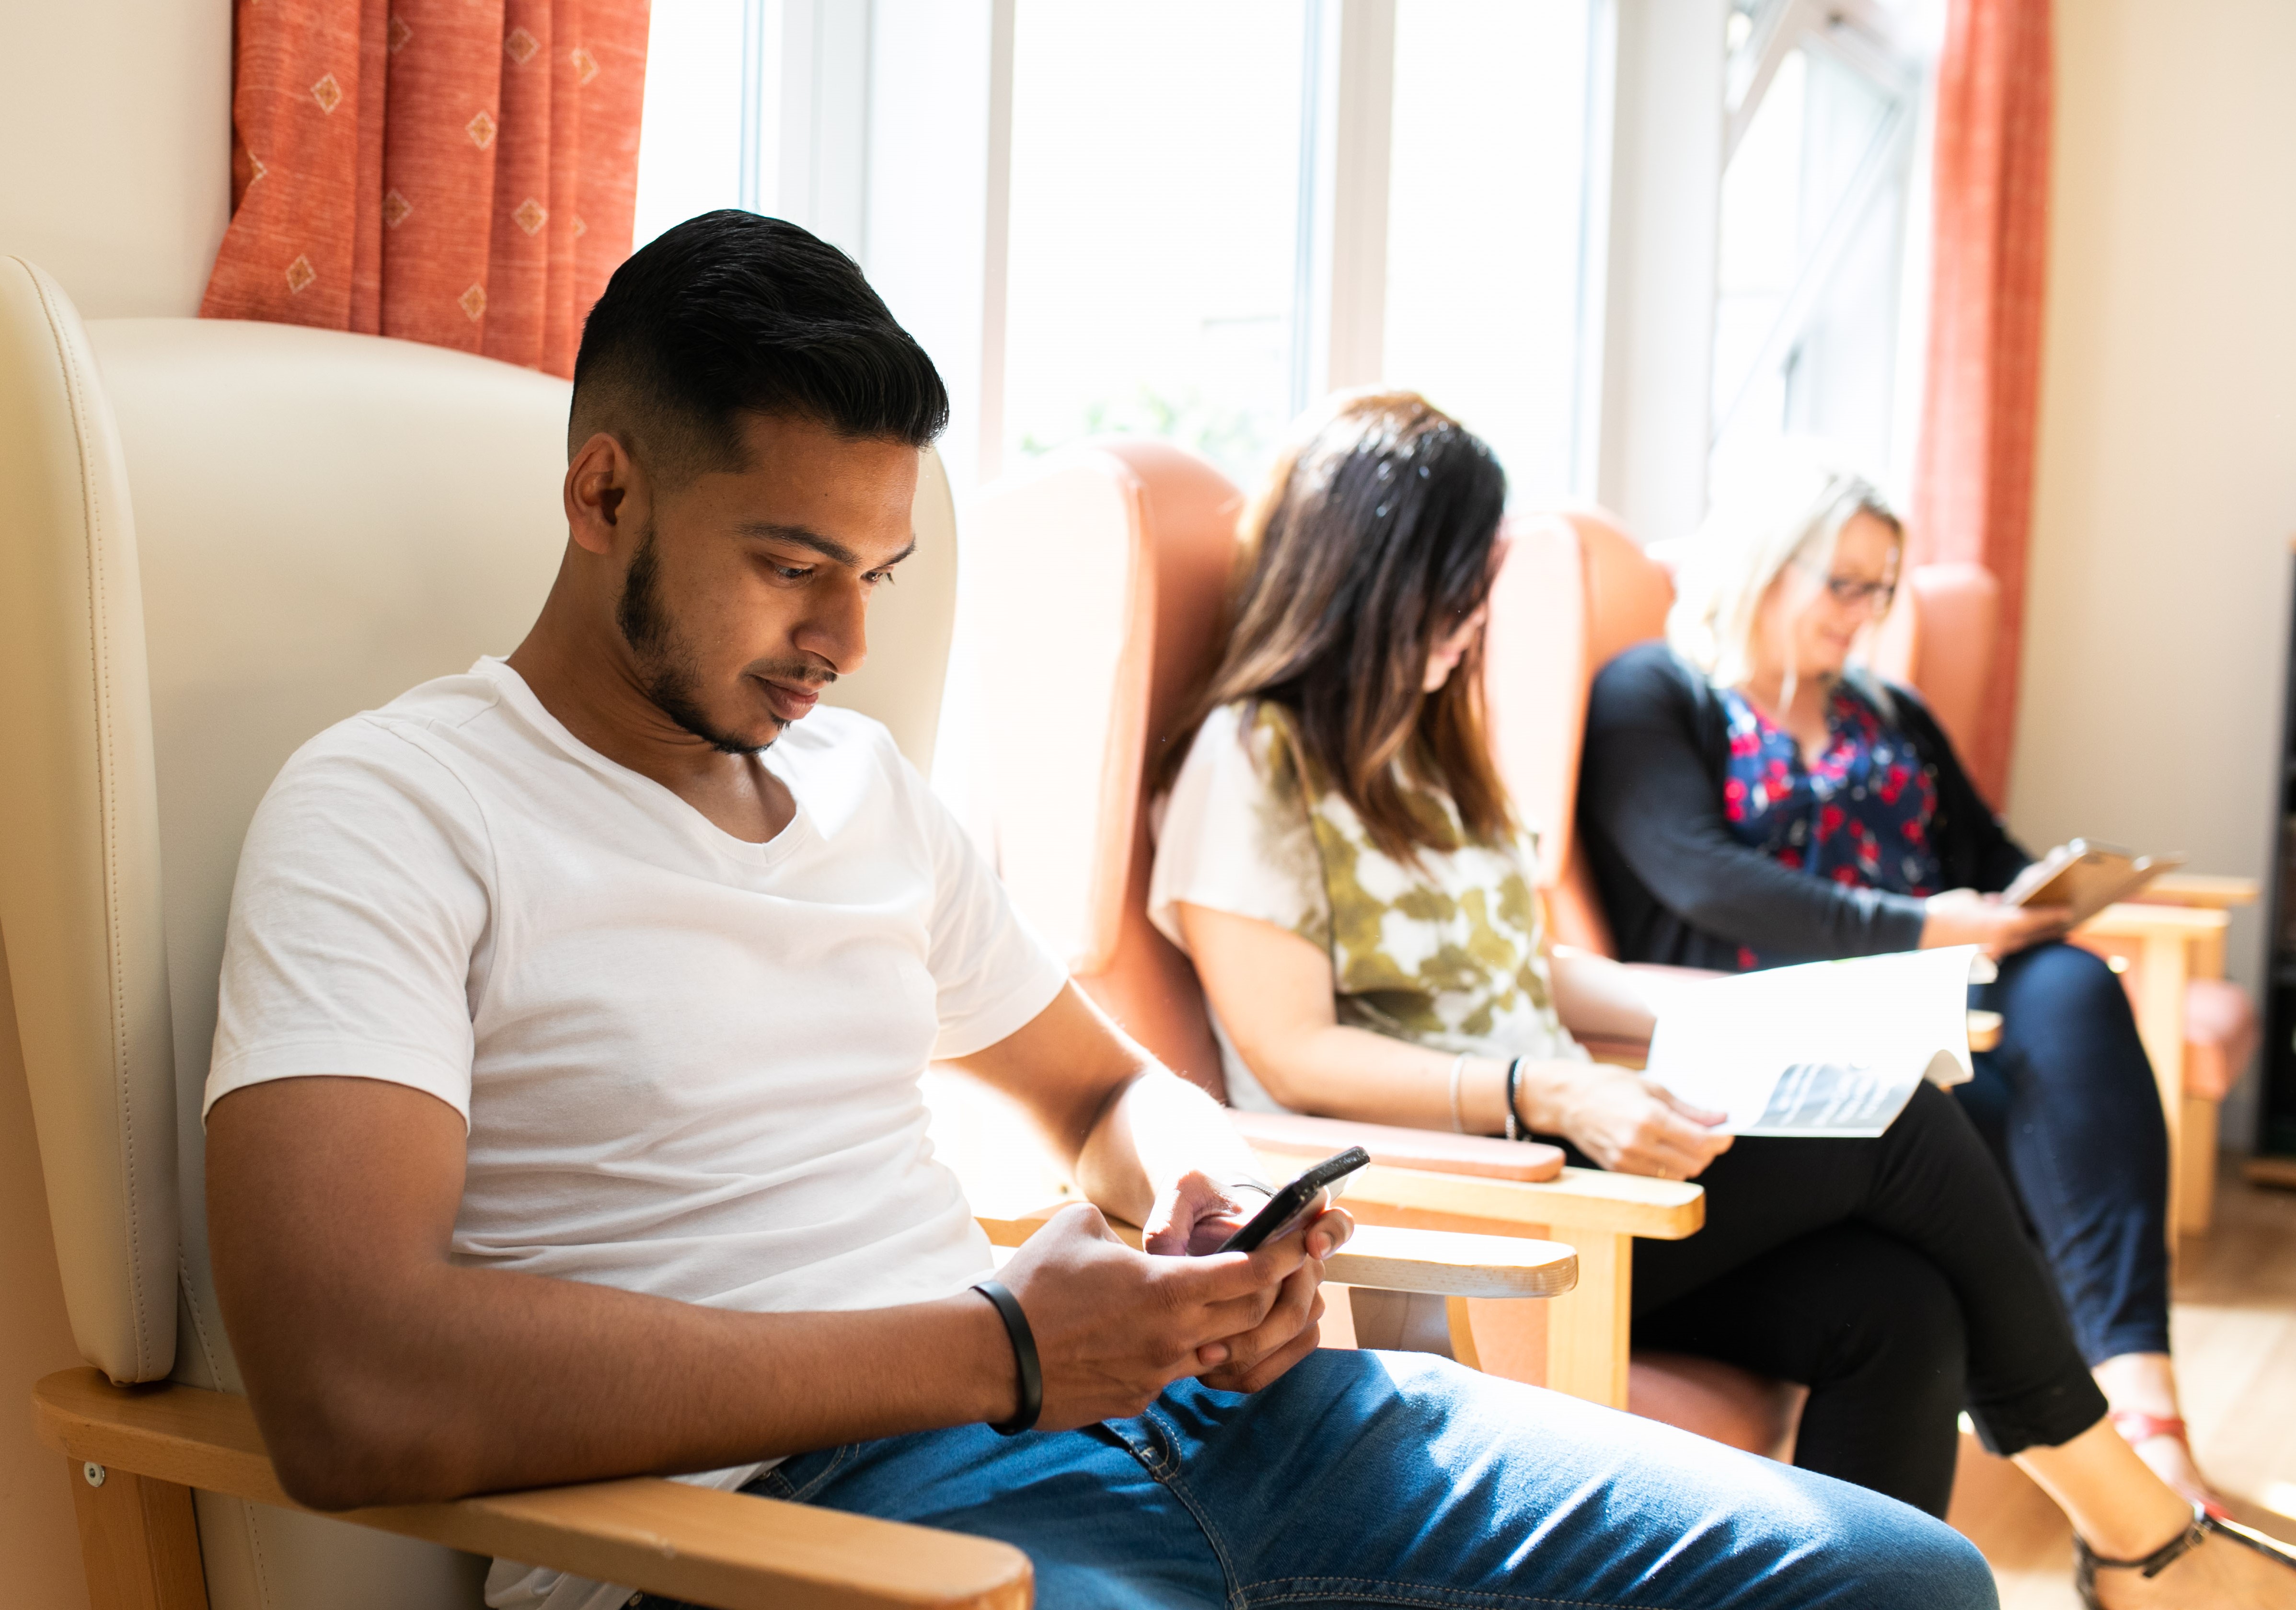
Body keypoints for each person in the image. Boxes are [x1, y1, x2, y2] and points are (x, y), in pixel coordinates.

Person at [199, 213, 1995, 1610]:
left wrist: (1203, 1201)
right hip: (793, 1526)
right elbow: (354, 1386)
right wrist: (998, 1351)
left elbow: (1096, 1093)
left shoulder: (866, 793)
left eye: (878, 572)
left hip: (1184, 1418)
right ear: (606, 494)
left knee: (1903, 1580)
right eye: (791, 566)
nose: (849, 640)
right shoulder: (395, 813)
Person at [1150, 389, 2295, 1606]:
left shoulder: (1428, 756)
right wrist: (1546, 1089)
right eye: (1452, 583)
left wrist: (1738, 1012)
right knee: (1892, 1120)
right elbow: (1291, 1050)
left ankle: (2065, 1549)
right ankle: (2131, 1529)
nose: (1471, 618)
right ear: (1363, 573)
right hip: (1458, 1199)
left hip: (1562, 1145)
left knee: (1895, 1311)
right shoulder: (1250, 758)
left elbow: (1527, 975)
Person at [1575, 444, 2217, 1509]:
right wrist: (1910, 928)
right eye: (1843, 582)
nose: (1864, 611)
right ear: (1764, 563)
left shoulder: (1887, 712)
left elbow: (1988, 859)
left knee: (2070, 986)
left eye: (1881, 588)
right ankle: (2110, 1467)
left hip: (1936, 1001)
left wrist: (2047, 897)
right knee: (1967, 1110)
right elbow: (1697, 877)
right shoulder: (1657, 690)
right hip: (1768, 1011)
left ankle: (2143, 1398)